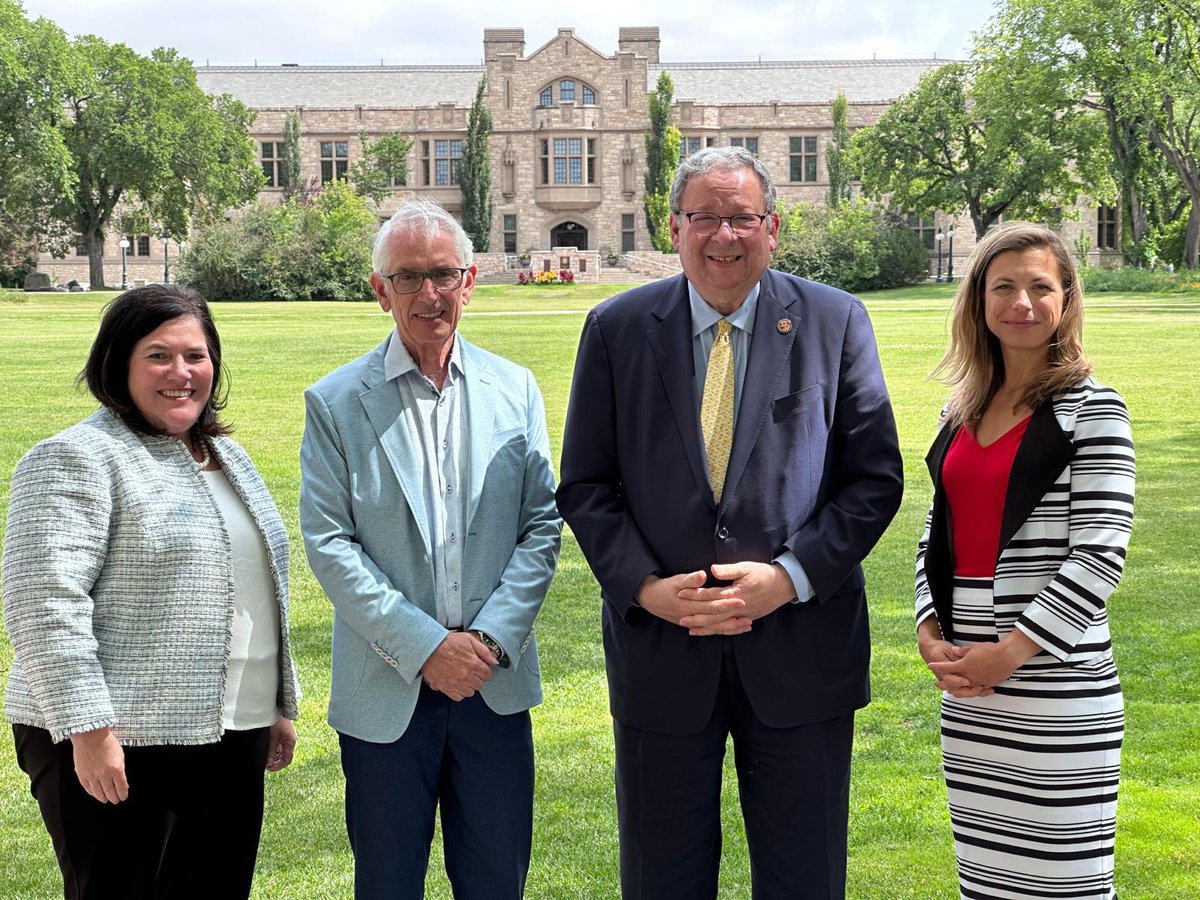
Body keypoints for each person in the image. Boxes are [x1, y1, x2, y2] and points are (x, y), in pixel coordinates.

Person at [556, 146, 904, 899]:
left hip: (802, 653)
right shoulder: (616, 328)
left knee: (805, 880)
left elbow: (874, 481)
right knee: (662, 882)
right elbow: (585, 486)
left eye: (742, 218)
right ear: (674, 228)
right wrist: (645, 589)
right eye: (704, 218)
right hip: (661, 655)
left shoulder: (835, 320)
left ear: (772, 228)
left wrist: (789, 578)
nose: (724, 236)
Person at [3, 284, 301, 900]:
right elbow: (44, 603)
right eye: (158, 356)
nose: (180, 372)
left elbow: (252, 587)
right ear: (117, 363)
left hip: (231, 733)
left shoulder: (226, 455)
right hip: (118, 737)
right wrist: (88, 730)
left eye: (195, 355)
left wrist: (271, 705)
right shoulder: (75, 457)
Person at [300, 199, 561, 899]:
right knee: (387, 884)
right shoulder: (334, 402)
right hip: (387, 692)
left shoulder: (516, 389)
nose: (429, 293)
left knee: (496, 884)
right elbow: (330, 544)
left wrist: (489, 641)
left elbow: (542, 526)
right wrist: (426, 648)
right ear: (380, 290)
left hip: (493, 686)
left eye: (444, 274)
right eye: (408, 276)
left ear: (469, 281)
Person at [915, 224, 1134, 900]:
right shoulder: (961, 410)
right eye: (1003, 286)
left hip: (1056, 686)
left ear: (1066, 300)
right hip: (971, 691)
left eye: (1041, 287)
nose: (1022, 303)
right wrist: (929, 629)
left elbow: (1100, 552)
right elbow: (936, 534)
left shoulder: (1093, 409)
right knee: (987, 881)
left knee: (1066, 881)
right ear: (978, 300)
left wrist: (1011, 653)